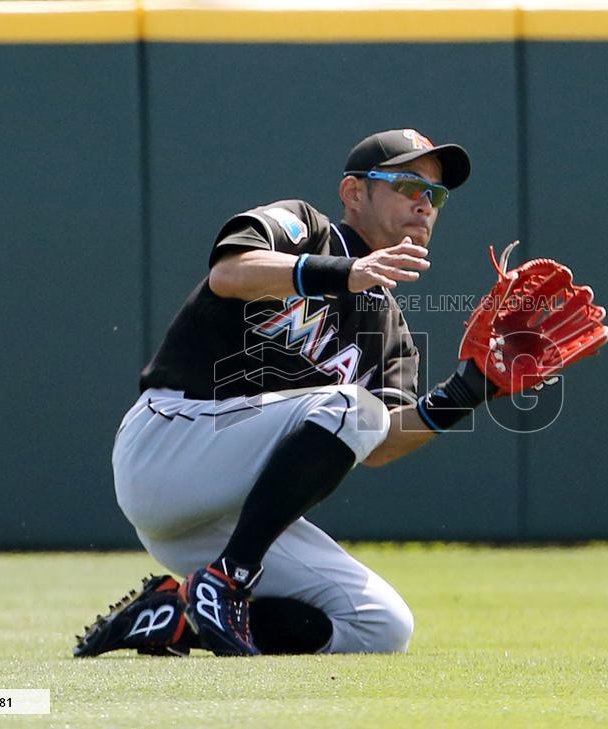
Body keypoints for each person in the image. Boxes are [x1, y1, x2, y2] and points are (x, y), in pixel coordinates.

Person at [74, 128, 499, 658]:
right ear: (353, 193)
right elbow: (229, 273)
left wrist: (474, 387)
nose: (424, 204)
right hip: (168, 442)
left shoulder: (391, 332)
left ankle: (177, 615)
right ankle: (228, 580)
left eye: (434, 194)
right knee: (354, 406)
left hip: (228, 508)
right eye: (406, 184)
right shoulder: (304, 228)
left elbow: (382, 444)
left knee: (381, 626)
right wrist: (347, 273)